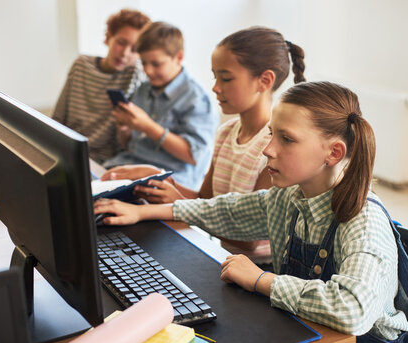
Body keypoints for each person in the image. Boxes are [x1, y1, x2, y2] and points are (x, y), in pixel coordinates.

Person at [93, 81, 408, 343]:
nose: (268, 149)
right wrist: (145, 211)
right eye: (271, 134)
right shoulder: (289, 195)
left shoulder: (363, 222)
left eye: (287, 139)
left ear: (334, 153)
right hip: (309, 335)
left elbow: (351, 310)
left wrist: (259, 280)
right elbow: (228, 210)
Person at [101, 26, 306, 265]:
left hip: (260, 269)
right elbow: (205, 199)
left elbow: (249, 237)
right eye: (215, 76)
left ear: (264, 80)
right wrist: (158, 178)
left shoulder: (273, 147)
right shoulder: (226, 133)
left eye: (226, 78)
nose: (216, 87)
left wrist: (178, 203)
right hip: (223, 258)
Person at [101, 21, 219, 190]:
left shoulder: (197, 99)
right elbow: (129, 145)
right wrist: (125, 129)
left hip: (168, 180)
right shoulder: (144, 89)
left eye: (156, 64)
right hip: (127, 167)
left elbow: (195, 156)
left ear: (178, 57)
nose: (148, 71)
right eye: (144, 63)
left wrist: (148, 126)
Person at [52, 9, 150, 164]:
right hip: (69, 152)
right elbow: (58, 118)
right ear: (108, 37)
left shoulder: (136, 75)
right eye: (121, 42)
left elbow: (128, 142)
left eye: (134, 49)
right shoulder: (81, 65)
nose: (125, 53)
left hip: (104, 162)